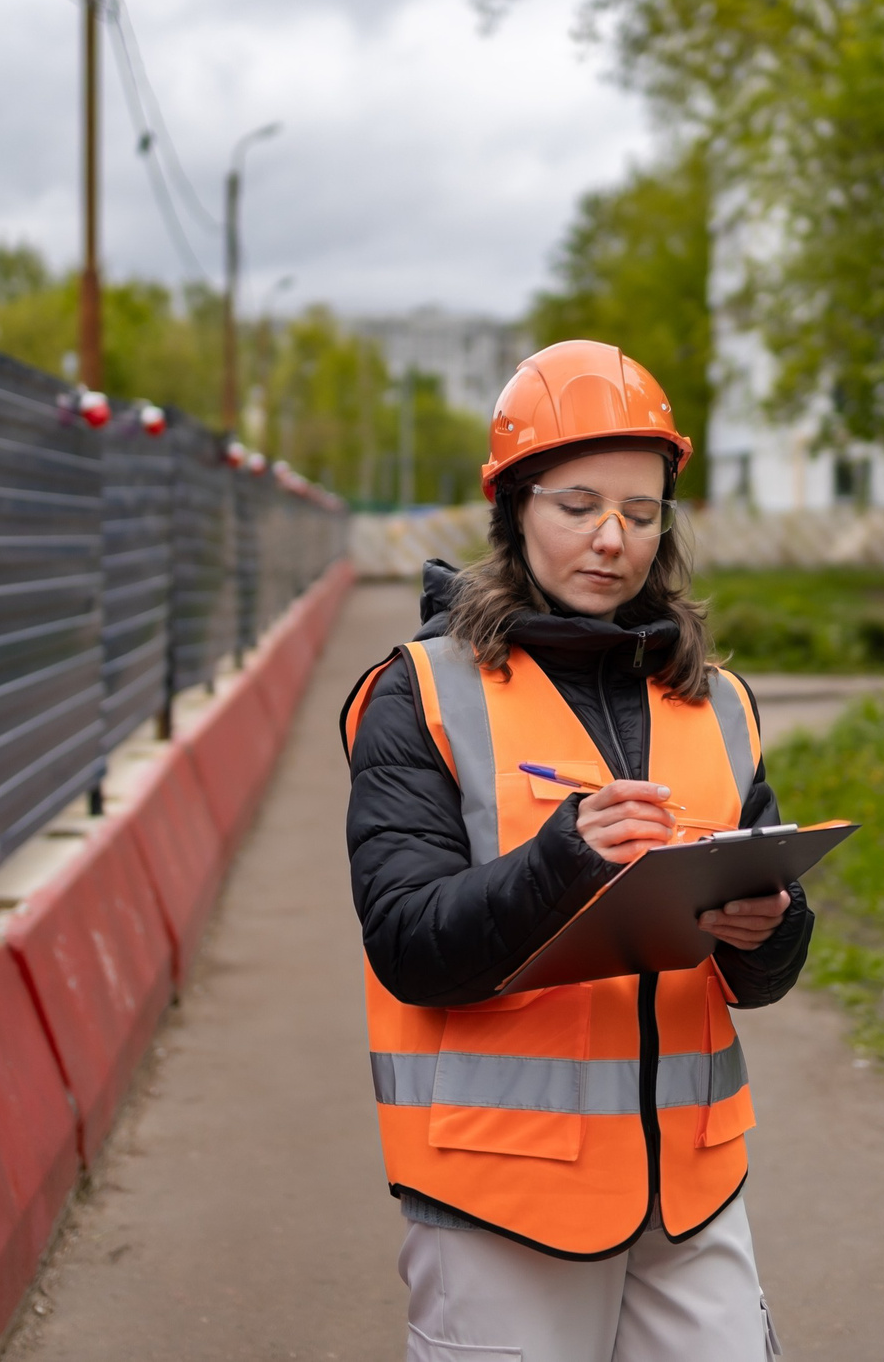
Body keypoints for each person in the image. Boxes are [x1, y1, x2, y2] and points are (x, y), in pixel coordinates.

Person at [342, 339, 814, 1362]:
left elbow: (759, 967)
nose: (613, 539)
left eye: (641, 515)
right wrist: (562, 865)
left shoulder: (717, 700)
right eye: (578, 506)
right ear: (514, 508)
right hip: (503, 1200)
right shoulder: (419, 694)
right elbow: (408, 942)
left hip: (690, 1196)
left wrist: (767, 931)